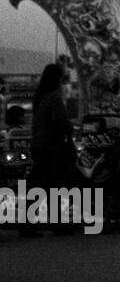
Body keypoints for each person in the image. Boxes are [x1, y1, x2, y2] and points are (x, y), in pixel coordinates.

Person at [27, 63, 81, 236]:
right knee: (59, 185)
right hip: (51, 147)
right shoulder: (54, 97)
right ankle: (61, 224)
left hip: (39, 146)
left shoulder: (41, 96)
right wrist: (70, 128)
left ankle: (27, 224)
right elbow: (59, 123)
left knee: (40, 186)